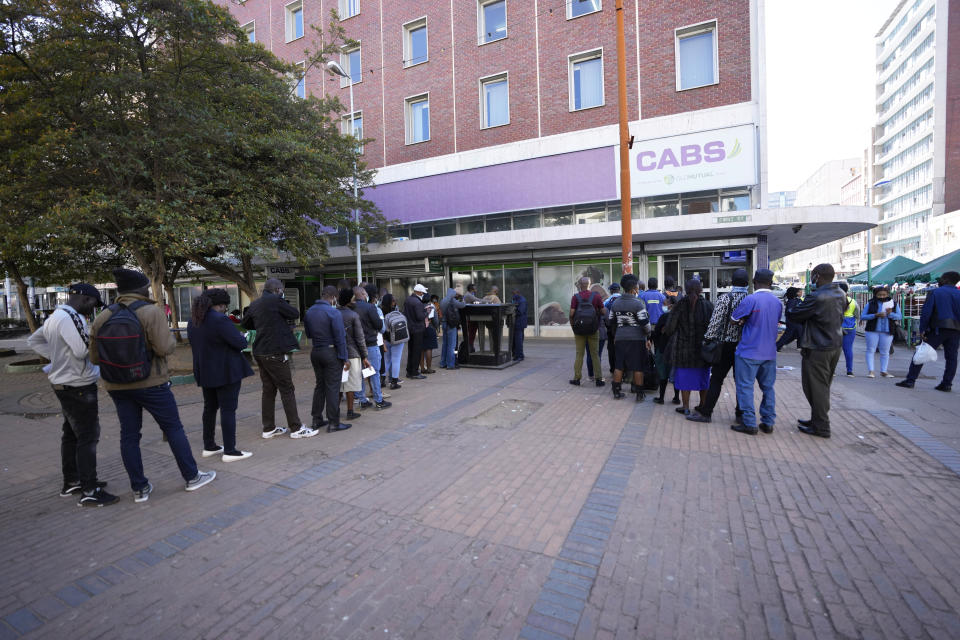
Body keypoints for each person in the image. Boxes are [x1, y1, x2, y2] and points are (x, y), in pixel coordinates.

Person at [90, 269, 215, 502]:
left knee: (128, 436)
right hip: (151, 382)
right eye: (146, 286)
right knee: (173, 429)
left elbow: (95, 358)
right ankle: (192, 476)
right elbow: (164, 348)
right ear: (140, 289)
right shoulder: (150, 312)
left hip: (116, 385)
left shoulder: (103, 316)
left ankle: (139, 488)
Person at [27, 283, 118, 507]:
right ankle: (90, 489)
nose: (93, 310)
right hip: (78, 385)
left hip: (62, 383)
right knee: (88, 436)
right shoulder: (72, 317)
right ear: (86, 299)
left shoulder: (54, 317)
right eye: (94, 305)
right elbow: (81, 351)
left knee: (71, 435)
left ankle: (72, 481)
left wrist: (57, 358)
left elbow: (34, 341)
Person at [187, 288, 254, 461]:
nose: (225, 309)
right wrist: (242, 336)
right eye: (225, 306)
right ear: (221, 305)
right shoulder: (220, 319)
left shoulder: (194, 320)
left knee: (210, 408)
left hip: (205, 371)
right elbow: (240, 343)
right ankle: (230, 451)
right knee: (228, 410)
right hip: (225, 371)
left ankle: (209, 446)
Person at [241, 278, 314, 439]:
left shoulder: (255, 303)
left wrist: (263, 325)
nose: (282, 292)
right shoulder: (276, 300)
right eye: (282, 290)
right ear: (278, 290)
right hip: (275, 351)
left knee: (268, 389)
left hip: (259, 351)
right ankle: (296, 428)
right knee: (287, 388)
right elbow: (294, 313)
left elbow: (245, 323)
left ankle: (268, 428)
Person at [787, 263, 846, 438]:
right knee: (823, 385)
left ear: (817, 276)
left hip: (818, 346)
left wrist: (791, 307)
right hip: (834, 343)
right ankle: (817, 419)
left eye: (812, 276)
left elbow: (795, 314)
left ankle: (821, 426)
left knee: (816, 387)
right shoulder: (841, 293)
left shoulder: (818, 296)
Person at [686, 269, 749, 424]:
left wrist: (707, 340)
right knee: (741, 381)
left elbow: (715, 324)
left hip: (724, 346)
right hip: (744, 346)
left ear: (732, 282)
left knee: (716, 380)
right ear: (748, 282)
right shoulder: (750, 299)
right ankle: (740, 414)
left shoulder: (725, 299)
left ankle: (706, 413)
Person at [729, 269, 781, 436]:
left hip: (748, 351)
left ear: (754, 281)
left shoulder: (750, 300)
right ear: (771, 282)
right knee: (768, 388)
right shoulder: (778, 302)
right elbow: (779, 324)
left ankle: (750, 423)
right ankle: (768, 422)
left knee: (745, 387)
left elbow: (734, 319)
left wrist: (744, 320)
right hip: (769, 352)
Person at [897, 270, 960, 391]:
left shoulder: (935, 292)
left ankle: (911, 380)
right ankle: (947, 384)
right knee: (952, 358)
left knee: (921, 353)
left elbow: (926, 312)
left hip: (937, 329)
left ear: (945, 279)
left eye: (941, 278)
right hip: (956, 330)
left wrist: (922, 329)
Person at [304, 286, 352, 432]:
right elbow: (340, 337)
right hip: (330, 352)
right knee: (332, 387)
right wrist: (345, 358)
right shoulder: (333, 312)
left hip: (316, 351)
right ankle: (333, 422)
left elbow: (308, 334)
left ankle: (316, 419)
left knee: (320, 386)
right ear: (334, 297)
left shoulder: (309, 312)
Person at [663, 279, 713, 415]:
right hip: (703, 350)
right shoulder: (708, 306)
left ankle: (685, 406)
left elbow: (670, 328)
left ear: (685, 290)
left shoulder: (680, 305)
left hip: (683, 350)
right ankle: (702, 404)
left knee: (684, 378)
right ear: (701, 290)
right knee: (704, 378)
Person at [609, 275, 650, 401]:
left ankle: (616, 392)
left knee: (619, 365)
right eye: (637, 287)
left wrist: (616, 335)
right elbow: (645, 324)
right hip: (636, 339)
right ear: (633, 289)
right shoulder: (638, 304)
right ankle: (639, 394)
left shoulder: (615, 303)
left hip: (620, 338)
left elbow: (611, 321)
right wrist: (648, 336)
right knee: (638, 366)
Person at [353, 286, 391, 410]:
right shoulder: (370, 307)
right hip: (370, 344)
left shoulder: (349, 308)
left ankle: (362, 399)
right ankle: (379, 400)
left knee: (360, 373)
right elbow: (380, 325)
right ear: (364, 294)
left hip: (355, 347)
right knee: (374, 372)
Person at [338, 288, 371, 421]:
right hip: (352, 354)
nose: (354, 300)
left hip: (337, 354)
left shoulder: (334, 313)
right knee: (350, 385)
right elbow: (360, 338)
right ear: (348, 300)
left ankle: (334, 411)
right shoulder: (353, 315)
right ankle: (350, 411)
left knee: (339, 384)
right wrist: (364, 356)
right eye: (352, 298)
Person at [569, 276, 605, 387]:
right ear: (590, 284)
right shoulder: (596, 296)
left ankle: (577, 379)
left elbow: (571, 314)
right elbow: (603, 312)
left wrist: (573, 326)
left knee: (579, 354)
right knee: (595, 354)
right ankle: (599, 379)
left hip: (579, 330)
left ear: (580, 285)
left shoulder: (575, 297)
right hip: (593, 329)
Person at [861, 286, 902, 379]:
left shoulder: (894, 304)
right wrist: (875, 315)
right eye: (879, 295)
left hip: (887, 331)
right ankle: (871, 371)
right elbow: (863, 316)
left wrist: (890, 314)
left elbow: (899, 316)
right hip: (872, 330)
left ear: (888, 294)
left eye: (884, 294)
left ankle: (884, 371)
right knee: (871, 350)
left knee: (885, 352)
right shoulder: (871, 303)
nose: (882, 296)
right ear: (875, 295)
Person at [649, 295, 677, 404]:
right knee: (675, 374)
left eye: (665, 304)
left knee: (663, 374)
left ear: (670, 305)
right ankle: (677, 397)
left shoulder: (664, 317)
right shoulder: (679, 317)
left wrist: (651, 339)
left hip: (663, 349)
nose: (663, 306)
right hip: (675, 350)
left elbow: (656, 333)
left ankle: (661, 398)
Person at [404, 284, 429, 379]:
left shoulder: (408, 300)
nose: (423, 294)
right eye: (422, 292)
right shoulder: (417, 302)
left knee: (411, 350)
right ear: (418, 292)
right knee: (417, 351)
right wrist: (427, 312)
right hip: (417, 329)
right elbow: (420, 317)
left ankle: (409, 371)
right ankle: (414, 372)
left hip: (410, 328)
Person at [586, 285, 608, 380]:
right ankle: (598, 376)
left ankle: (590, 375)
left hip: (588, 333)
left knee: (589, 354)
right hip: (601, 333)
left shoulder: (586, 308)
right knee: (597, 354)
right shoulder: (604, 309)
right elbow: (609, 322)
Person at [440, 287, 465, 369]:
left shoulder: (443, 300)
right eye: (457, 295)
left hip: (443, 323)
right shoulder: (452, 300)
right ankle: (450, 365)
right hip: (451, 324)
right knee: (452, 345)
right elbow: (463, 305)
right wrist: (463, 299)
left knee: (445, 344)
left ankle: (443, 363)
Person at [838, 282, 859, 377]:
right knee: (848, 349)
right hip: (850, 327)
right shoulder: (853, 301)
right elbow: (857, 315)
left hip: (836, 327)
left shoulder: (834, 301)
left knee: (834, 350)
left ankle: (832, 371)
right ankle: (849, 371)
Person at [603, 282, 622, 377]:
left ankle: (613, 369)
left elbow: (603, 312)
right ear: (619, 289)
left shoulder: (607, 301)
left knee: (611, 349)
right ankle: (623, 369)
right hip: (623, 329)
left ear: (611, 290)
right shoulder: (623, 298)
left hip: (611, 329)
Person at [421, 294, 439, 374]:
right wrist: (436, 327)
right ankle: (428, 368)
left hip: (420, 328)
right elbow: (435, 320)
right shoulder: (431, 307)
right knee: (429, 349)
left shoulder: (419, 306)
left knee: (421, 349)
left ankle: (422, 368)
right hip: (430, 328)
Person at [512, 289, 527, 361]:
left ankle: (520, 355)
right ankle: (515, 354)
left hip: (520, 323)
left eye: (514, 293)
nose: (513, 295)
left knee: (519, 340)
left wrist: (513, 311)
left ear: (518, 293)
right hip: (515, 322)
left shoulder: (522, 300)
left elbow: (520, 311)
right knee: (516, 339)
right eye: (513, 294)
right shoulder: (515, 299)